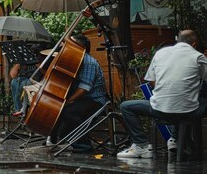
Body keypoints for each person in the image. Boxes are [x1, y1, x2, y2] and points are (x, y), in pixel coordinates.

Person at [117, 30, 207, 159]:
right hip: (188, 111)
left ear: (178, 41)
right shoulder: (198, 56)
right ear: (194, 44)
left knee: (125, 106)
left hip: (159, 109)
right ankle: (177, 140)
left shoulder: (160, 53)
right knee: (201, 98)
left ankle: (141, 146)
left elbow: (151, 81)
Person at [50, 34, 108, 152]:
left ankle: (84, 145)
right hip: (83, 98)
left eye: (70, 44)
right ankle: (56, 139)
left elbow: (84, 89)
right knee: (55, 108)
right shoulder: (75, 60)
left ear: (79, 47)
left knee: (69, 111)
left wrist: (68, 101)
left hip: (95, 99)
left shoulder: (88, 62)